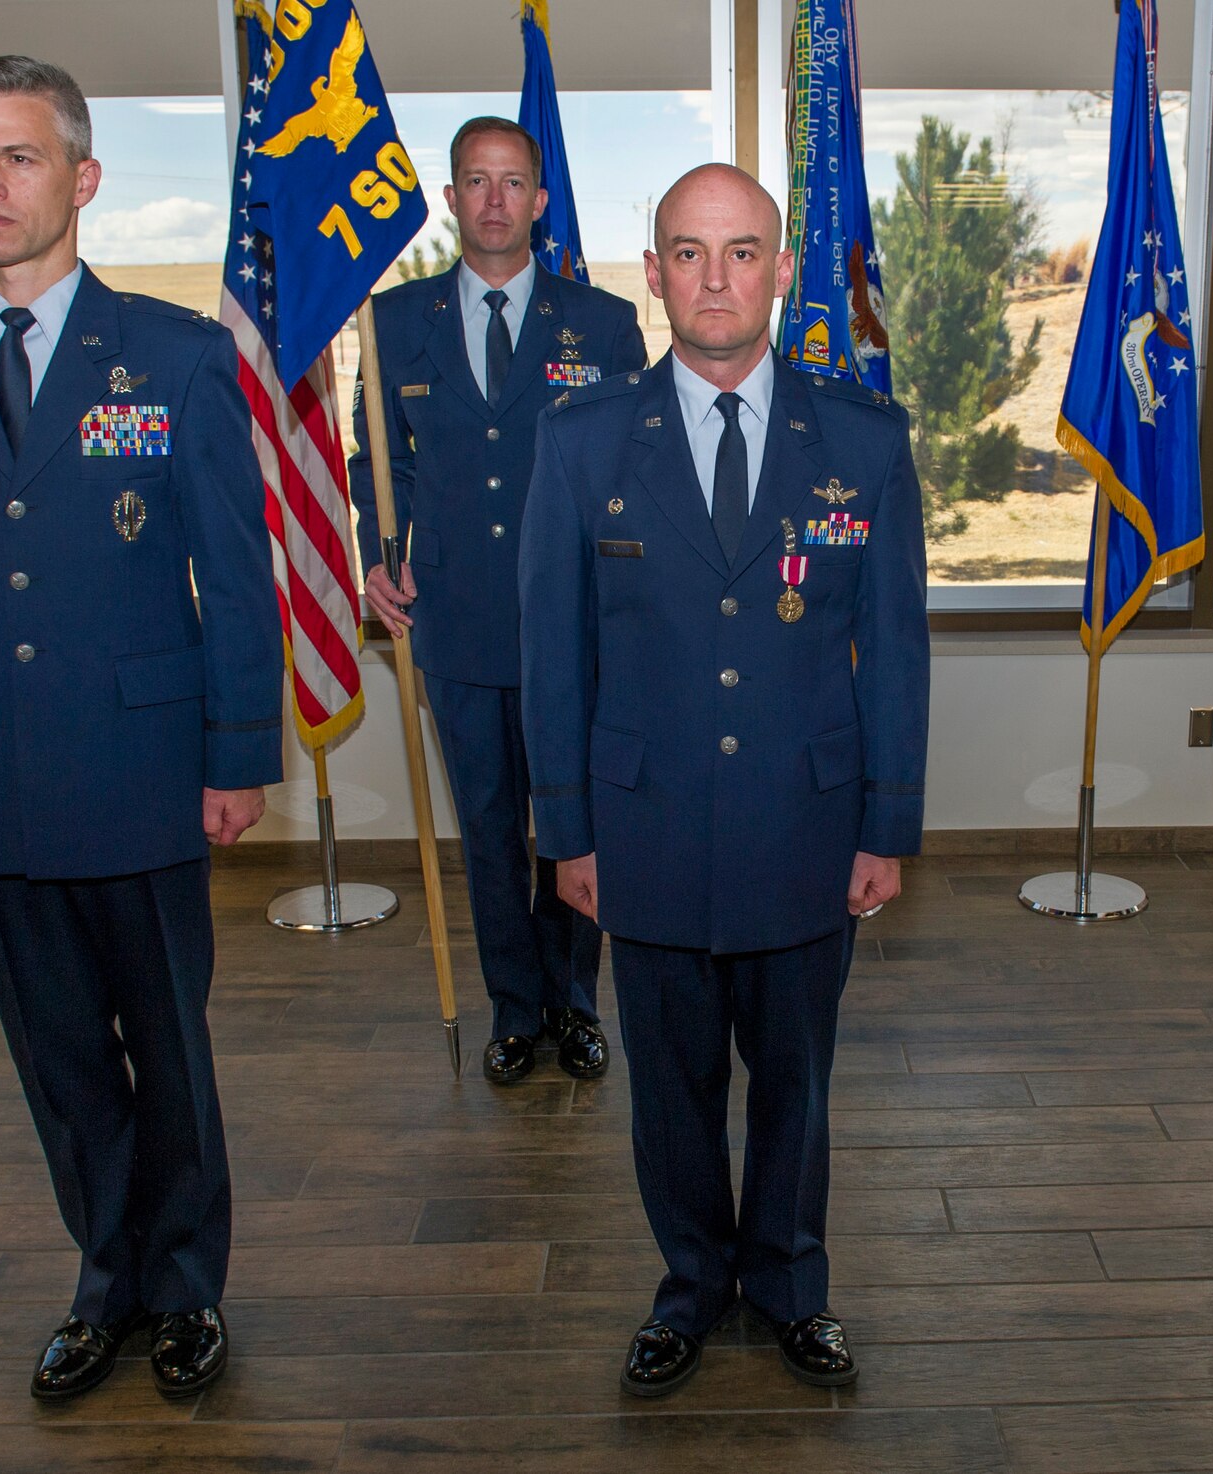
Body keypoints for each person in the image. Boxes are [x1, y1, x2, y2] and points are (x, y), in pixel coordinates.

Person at [0, 56, 283, 1401]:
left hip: (140, 769)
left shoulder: (175, 356)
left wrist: (237, 752)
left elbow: (233, 569)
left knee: (169, 1046)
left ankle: (190, 1287)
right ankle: (109, 1280)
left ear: (81, 179)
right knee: (59, 1060)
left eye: (17, 156)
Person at [519, 163, 929, 1396]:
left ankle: (792, 1285)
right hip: (639, 830)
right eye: (688, 254)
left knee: (797, 1082)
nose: (714, 278)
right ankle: (692, 1285)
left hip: (808, 824)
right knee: (672, 1089)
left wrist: (887, 823)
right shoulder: (581, 438)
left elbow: (894, 652)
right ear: (650, 275)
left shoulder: (862, 438)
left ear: (781, 271)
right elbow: (555, 656)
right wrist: (567, 833)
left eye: (741, 251)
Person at [354, 117, 646, 1086]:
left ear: (538, 200)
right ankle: (514, 1010)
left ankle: (574, 1001)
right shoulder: (393, 323)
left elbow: (633, 469)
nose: (492, 200)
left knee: (570, 824)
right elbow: (377, 459)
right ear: (449, 199)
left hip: (572, 625)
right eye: (473, 182)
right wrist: (374, 555)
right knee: (486, 829)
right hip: (455, 617)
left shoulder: (599, 324)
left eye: (510, 182)